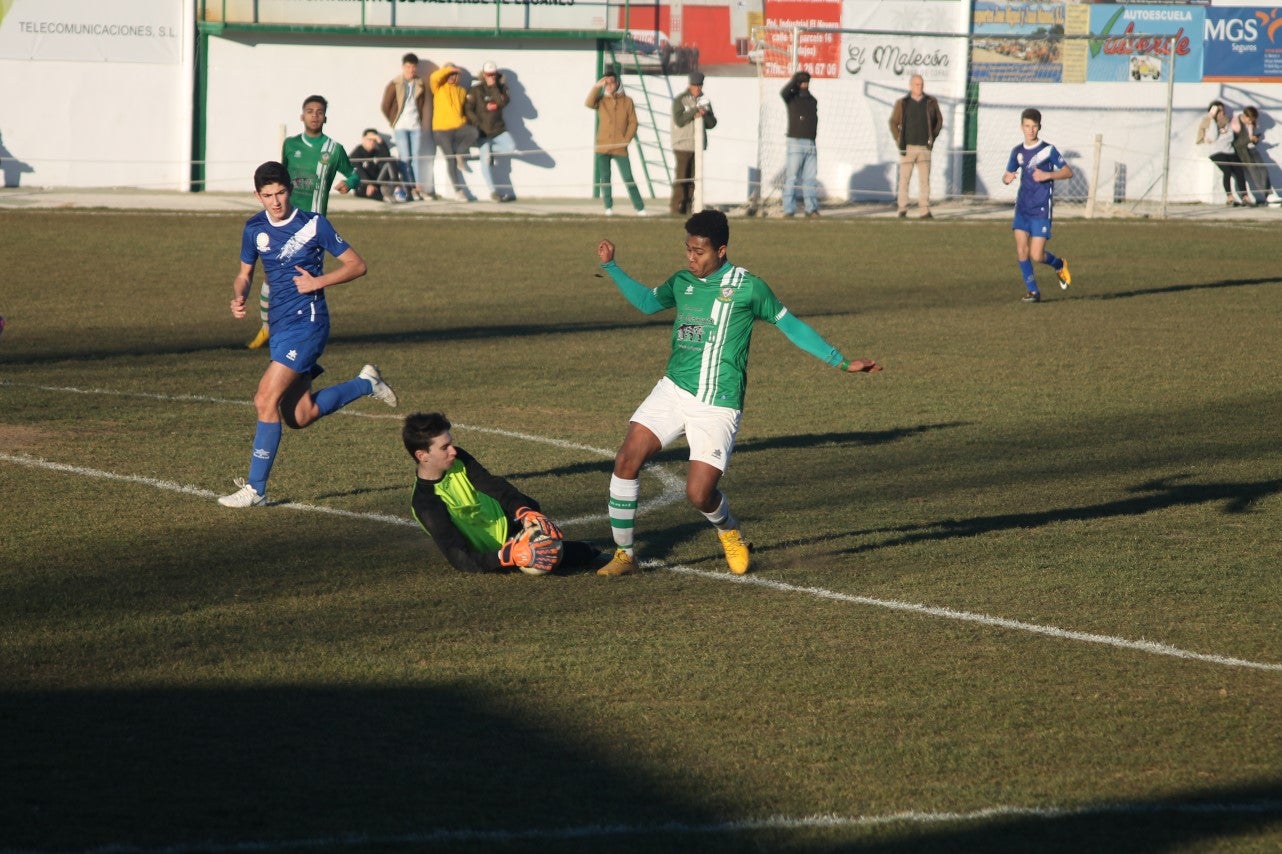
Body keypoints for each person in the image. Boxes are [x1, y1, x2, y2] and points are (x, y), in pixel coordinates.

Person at [594, 210, 882, 576]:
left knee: (699, 494)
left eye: (699, 251)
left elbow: (790, 325)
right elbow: (649, 303)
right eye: (688, 249)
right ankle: (624, 555)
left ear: (722, 250)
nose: (691, 258)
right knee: (626, 459)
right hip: (673, 390)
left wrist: (840, 361)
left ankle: (730, 532)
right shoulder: (682, 281)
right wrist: (613, 266)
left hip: (718, 404)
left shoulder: (749, 287)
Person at [218, 161, 398, 508]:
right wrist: (239, 293)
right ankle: (366, 383)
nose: (275, 202)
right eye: (268, 195)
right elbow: (244, 272)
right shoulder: (254, 228)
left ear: (290, 189)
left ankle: (256, 489)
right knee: (299, 415)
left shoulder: (314, 225)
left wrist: (318, 281)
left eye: (281, 193)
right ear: (257, 195)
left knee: (264, 399)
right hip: (280, 326)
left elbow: (357, 265)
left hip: (309, 324)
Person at [405, 412, 604, 574]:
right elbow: (460, 558)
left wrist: (523, 511)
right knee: (561, 554)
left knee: (530, 508)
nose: (453, 451)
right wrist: (507, 556)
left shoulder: (459, 459)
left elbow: (494, 486)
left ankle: (579, 549)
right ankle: (583, 550)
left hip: (514, 525)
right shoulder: (426, 503)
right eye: (444, 447)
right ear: (423, 456)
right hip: (499, 552)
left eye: (451, 443)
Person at [247, 95, 360, 351]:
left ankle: (303, 329)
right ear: (302, 116)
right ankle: (270, 327)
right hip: (285, 220)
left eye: (319, 112)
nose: (314, 116)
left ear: (325, 117)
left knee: (305, 277)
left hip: (313, 228)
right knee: (273, 276)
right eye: (310, 111)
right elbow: (279, 177)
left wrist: (348, 184)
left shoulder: (334, 149)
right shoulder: (290, 145)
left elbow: (354, 175)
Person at [1002, 108, 1073, 304]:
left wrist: (1048, 175)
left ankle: (1059, 264)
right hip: (1022, 208)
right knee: (1022, 251)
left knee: (1037, 255)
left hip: (1041, 209)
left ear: (1039, 127)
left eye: (1034, 126)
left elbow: (1068, 172)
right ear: (1021, 127)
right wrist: (1006, 178)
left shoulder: (1048, 150)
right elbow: (1008, 174)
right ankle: (1033, 292)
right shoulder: (1017, 152)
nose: (1030, 130)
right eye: (1027, 126)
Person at [585, 71, 647, 217]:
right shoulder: (601, 100)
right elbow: (589, 103)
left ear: (618, 83)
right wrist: (597, 86)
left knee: (628, 177)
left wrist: (626, 140)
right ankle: (608, 207)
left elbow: (633, 122)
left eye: (612, 82)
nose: (609, 86)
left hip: (620, 148)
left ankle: (640, 207)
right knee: (605, 178)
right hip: (603, 147)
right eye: (607, 83)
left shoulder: (627, 101)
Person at [380, 52, 436, 202]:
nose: (411, 69)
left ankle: (419, 188)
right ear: (403, 67)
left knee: (416, 157)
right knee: (405, 158)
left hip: (415, 125)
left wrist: (421, 120)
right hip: (400, 126)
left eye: (413, 67)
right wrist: (394, 120)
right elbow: (385, 105)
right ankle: (409, 188)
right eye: (408, 66)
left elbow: (422, 104)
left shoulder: (419, 83)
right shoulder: (395, 83)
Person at [888, 74, 943, 219]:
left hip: (925, 148)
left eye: (921, 84)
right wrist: (899, 139)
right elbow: (893, 122)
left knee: (925, 181)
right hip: (908, 147)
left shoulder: (931, 102)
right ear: (911, 86)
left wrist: (933, 137)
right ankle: (902, 208)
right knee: (904, 179)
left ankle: (924, 209)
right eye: (917, 84)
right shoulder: (903, 102)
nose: (920, 87)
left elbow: (939, 120)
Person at [465, 61, 517, 202]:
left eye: (493, 75)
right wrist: (476, 124)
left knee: (510, 147)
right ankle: (493, 192)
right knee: (485, 160)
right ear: (483, 74)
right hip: (482, 132)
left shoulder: (501, 88)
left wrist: (494, 86)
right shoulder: (475, 90)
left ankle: (489, 151)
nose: (491, 77)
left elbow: (502, 102)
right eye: (488, 75)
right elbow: (468, 109)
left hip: (498, 129)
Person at [670, 71, 717, 216]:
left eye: (700, 85)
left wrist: (705, 114)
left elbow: (712, 123)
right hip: (682, 145)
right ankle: (676, 208)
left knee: (693, 180)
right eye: (695, 85)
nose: (698, 88)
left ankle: (689, 207)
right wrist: (694, 111)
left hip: (697, 146)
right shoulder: (680, 100)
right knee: (682, 178)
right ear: (690, 85)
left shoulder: (705, 101)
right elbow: (679, 120)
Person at [430, 62, 474, 201]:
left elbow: (464, 109)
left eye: (454, 74)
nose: (452, 77)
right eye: (449, 74)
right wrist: (449, 69)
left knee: (473, 132)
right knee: (450, 159)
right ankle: (458, 191)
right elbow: (433, 77)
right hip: (441, 130)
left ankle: (460, 153)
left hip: (458, 128)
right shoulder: (438, 88)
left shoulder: (461, 90)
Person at [779, 70, 819, 218]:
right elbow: (784, 92)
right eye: (801, 82)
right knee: (792, 177)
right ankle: (789, 209)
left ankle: (811, 209)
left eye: (806, 82)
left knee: (810, 178)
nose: (804, 85)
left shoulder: (812, 100)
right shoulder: (792, 98)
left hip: (811, 142)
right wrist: (793, 80)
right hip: (795, 141)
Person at [1196, 100, 1248, 207]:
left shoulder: (1227, 122)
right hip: (1215, 152)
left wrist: (1219, 138)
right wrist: (1213, 121)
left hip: (1228, 150)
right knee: (1227, 170)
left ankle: (1245, 197)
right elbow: (1213, 136)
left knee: (1239, 170)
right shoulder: (1208, 122)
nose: (1222, 113)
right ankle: (1229, 197)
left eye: (1223, 111)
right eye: (1219, 111)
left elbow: (1229, 137)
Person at [1232, 105, 1276, 206]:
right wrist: (1249, 139)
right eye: (1250, 120)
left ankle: (1269, 194)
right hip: (1244, 153)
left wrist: (1255, 139)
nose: (1251, 122)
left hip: (1252, 150)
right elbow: (1236, 144)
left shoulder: (1251, 124)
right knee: (1255, 174)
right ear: (1245, 116)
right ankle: (1267, 196)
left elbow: (1251, 137)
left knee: (1263, 170)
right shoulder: (1236, 124)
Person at [349, 129, 398, 202]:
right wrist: (368, 184)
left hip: (378, 182)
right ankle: (384, 196)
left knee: (391, 160)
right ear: (363, 139)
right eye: (370, 139)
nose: (372, 142)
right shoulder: (356, 153)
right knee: (360, 191)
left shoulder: (377, 151)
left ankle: (395, 189)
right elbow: (357, 170)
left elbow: (387, 158)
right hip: (364, 184)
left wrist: (380, 141)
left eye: (374, 140)